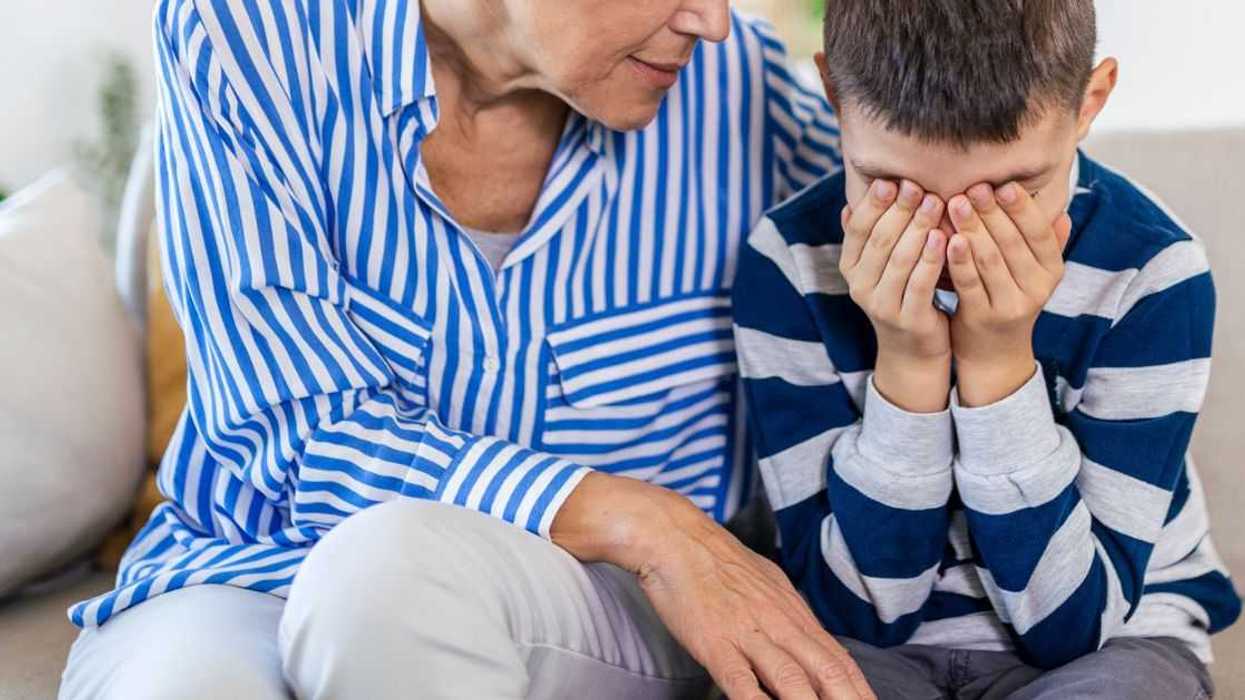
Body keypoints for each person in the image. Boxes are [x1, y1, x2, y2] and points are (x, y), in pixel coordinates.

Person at [59, 0, 880, 698]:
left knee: (383, 577)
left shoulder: (736, 81)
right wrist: (650, 524)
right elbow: (289, 432)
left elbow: (922, 194)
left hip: (599, 602)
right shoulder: (253, 35)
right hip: (245, 565)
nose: (708, 20)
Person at [733, 1, 1242, 697]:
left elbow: (1071, 624)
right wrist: (907, 366)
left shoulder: (1150, 272)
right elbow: (855, 611)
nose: (948, 244)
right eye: (892, 188)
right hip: (867, 645)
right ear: (832, 93)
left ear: (1088, 101)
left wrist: (996, 364)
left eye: (1010, 192)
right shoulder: (788, 262)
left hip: (1113, 643)